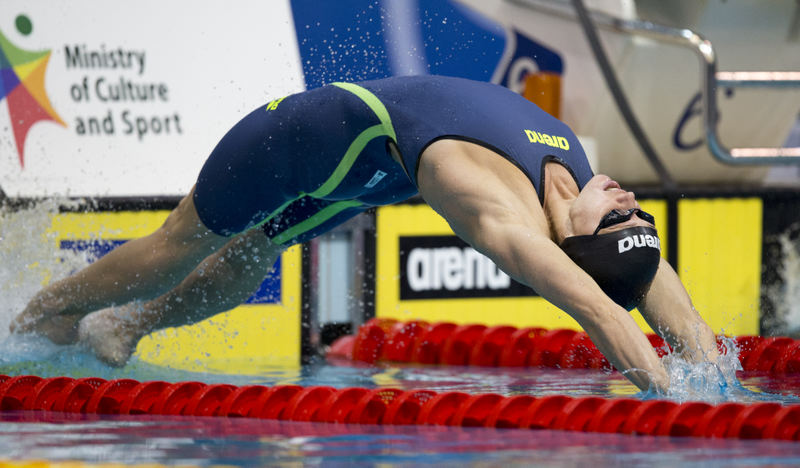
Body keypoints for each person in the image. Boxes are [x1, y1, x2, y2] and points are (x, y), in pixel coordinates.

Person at [10, 75, 719, 393]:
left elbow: (610, 295)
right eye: (633, 212)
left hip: (370, 171)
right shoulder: (562, 197)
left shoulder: (526, 221)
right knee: (178, 247)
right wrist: (696, 392)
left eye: (620, 214)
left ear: (579, 239)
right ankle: (37, 317)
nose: (627, 198)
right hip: (293, 136)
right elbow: (624, 295)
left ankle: (127, 328)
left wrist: (694, 403)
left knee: (253, 258)